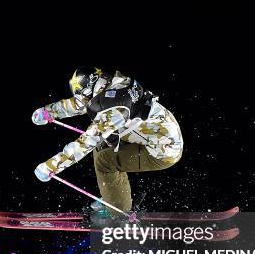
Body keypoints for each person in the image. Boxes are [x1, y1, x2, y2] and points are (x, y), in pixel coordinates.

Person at [32, 67, 183, 216]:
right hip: (154, 134)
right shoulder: (111, 85)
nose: (82, 100)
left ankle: (121, 214)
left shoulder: (114, 108)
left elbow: (85, 143)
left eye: (82, 95)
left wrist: (51, 166)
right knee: (102, 145)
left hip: (163, 151)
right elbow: (80, 104)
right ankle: (114, 196)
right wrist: (49, 112)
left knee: (104, 162)